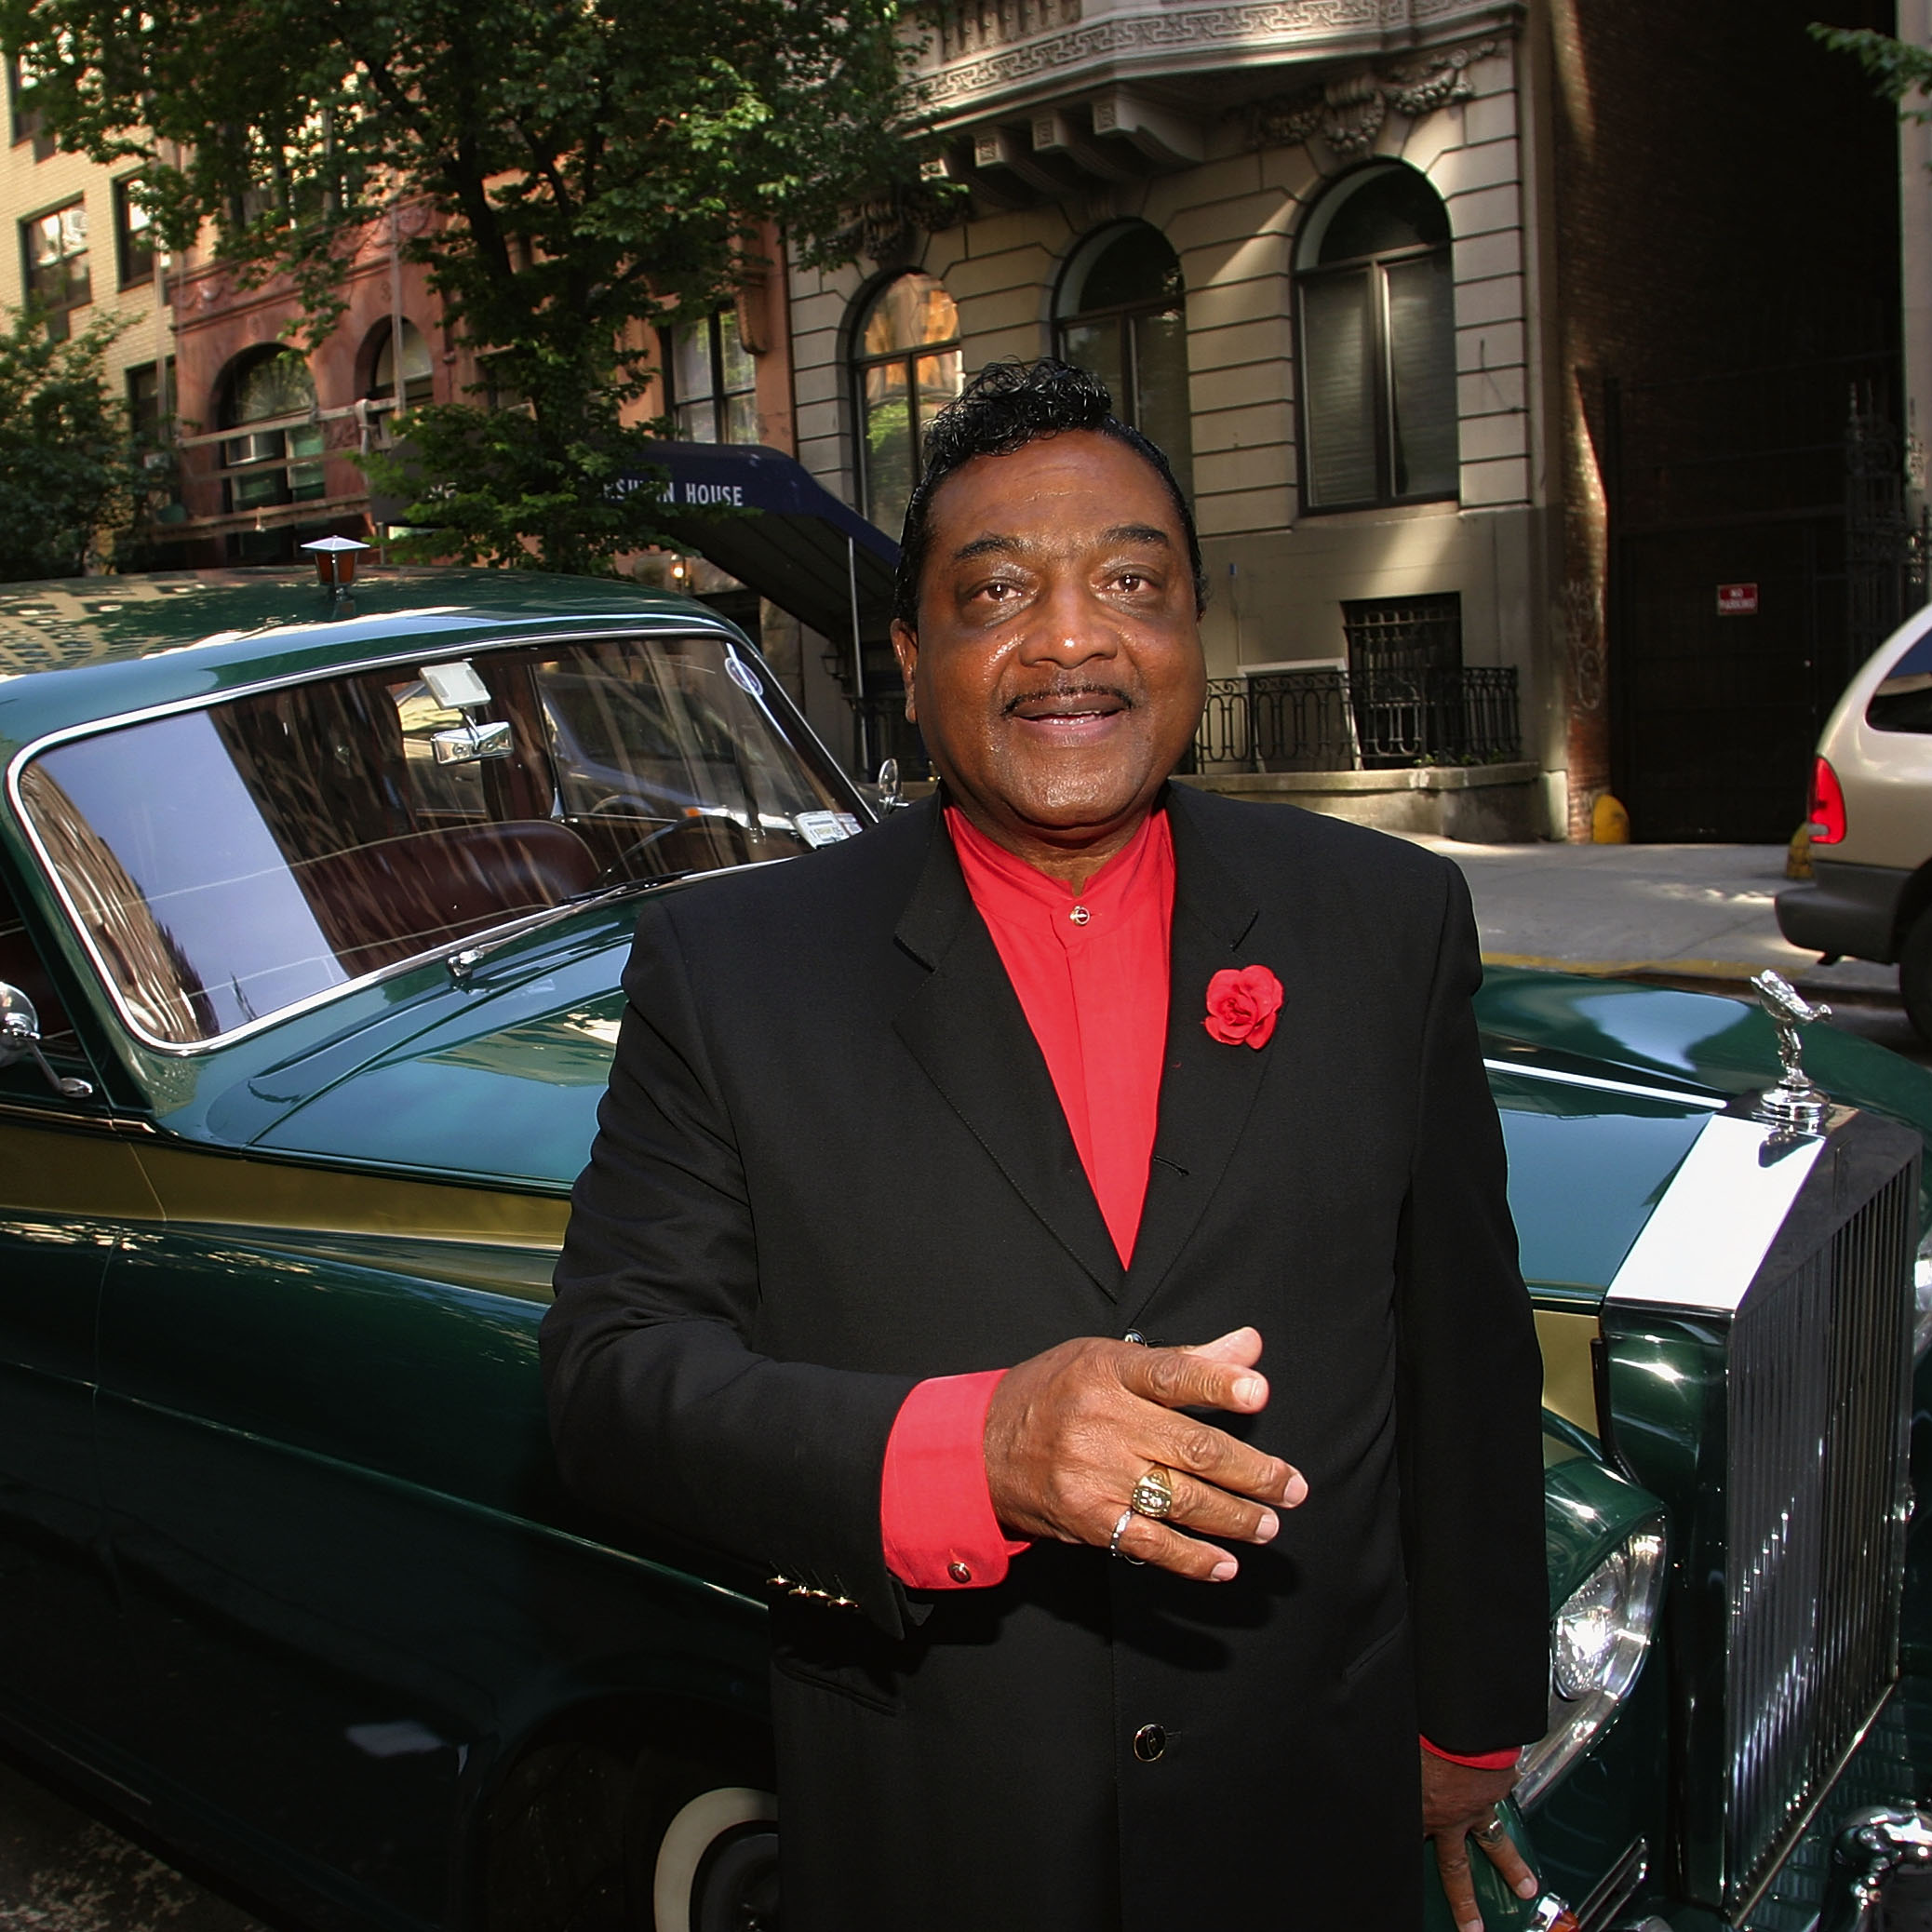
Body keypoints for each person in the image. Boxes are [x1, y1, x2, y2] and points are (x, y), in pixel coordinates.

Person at [540, 358, 1546, 1929]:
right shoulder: (732, 970)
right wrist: (975, 1454)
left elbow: (1461, 1358)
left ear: (1194, 628)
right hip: (942, 1832)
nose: (1071, 637)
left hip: (1307, 1804)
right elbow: (609, 1387)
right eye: (998, 590)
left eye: (1132, 583)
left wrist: (1471, 1717)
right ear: (910, 648)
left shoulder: (1388, 920)